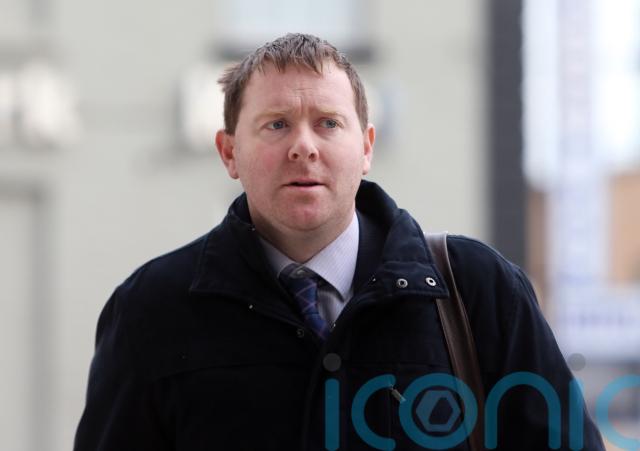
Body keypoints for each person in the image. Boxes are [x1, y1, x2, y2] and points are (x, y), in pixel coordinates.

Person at [74, 33, 604, 450]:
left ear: (366, 147)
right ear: (229, 152)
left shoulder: (475, 291)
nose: (303, 147)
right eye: (276, 125)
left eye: (328, 123)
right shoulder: (152, 310)